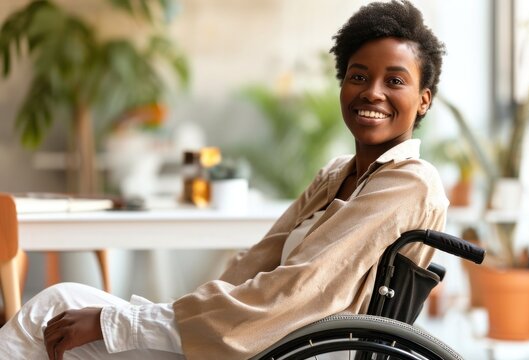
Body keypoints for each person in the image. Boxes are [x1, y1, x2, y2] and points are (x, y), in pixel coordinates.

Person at [0, 1, 448, 359]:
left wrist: (124, 323)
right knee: (58, 312)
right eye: (358, 76)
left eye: (395, 80)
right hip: (251, 335)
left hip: (291, 346)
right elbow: (256, 262)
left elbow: (299, 290)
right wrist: (172, 319)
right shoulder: (335, 175)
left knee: (54, 310)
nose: (373, 92)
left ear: (423, 99)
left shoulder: (410, 183)